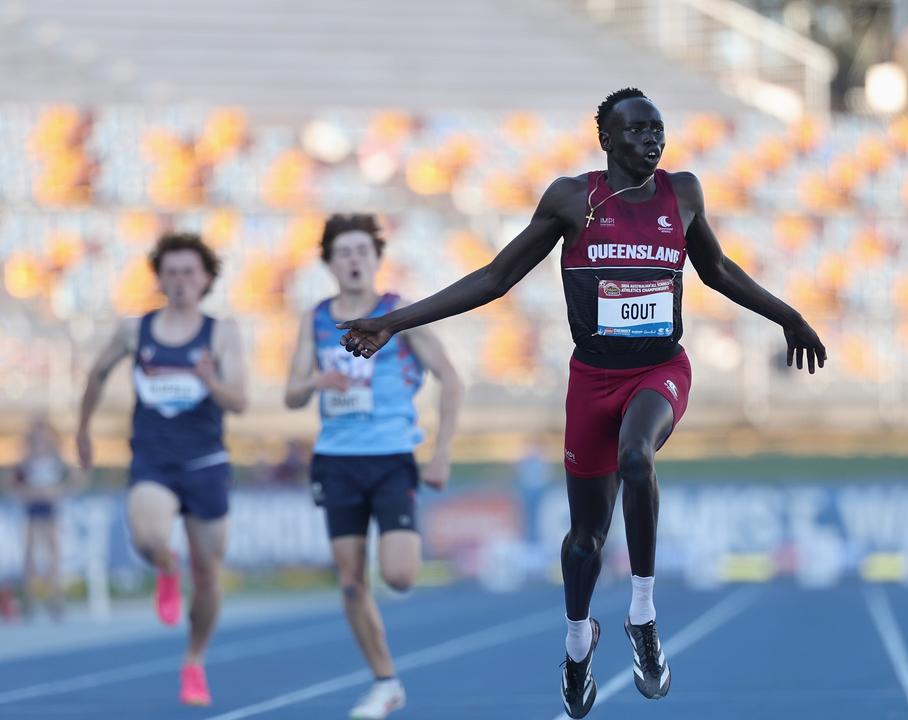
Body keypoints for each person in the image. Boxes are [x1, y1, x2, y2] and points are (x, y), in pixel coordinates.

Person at [337, 88, 827, 718]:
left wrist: (789, 317)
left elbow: (719, 270)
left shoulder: (683, 194)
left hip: (659, 367)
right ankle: (576, 644)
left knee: (637, 458)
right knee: (583, 541)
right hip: (591, 383)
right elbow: (494, 278)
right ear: (607, 139)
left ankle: (643, 615)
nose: (652, 140)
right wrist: (393, 322)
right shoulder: (573, 198)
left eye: (659, 129)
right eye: (637, 130)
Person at [284, 214, 463, 720]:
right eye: (344, 252)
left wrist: (442, 451)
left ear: (377, 259)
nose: (355, 259)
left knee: (402, 576)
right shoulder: (316, 318)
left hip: (390, 457)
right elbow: (291, 394)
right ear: (329, 262)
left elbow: (450, 379)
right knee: (349, 581)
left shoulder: (396, 311)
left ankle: (387, 667)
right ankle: (386, 682)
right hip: (336, 461)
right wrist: (315, 383)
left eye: (364, 250)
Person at [77, 232, 246, 705]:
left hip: (206, 463)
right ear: (159, 278)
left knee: (210, 576)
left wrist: (210, 380)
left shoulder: (222, 333)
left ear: (206, 278)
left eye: (188, 272)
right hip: (154, 459)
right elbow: (96, 374)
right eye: (170, 272)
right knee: (150, 538)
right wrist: (83, 430)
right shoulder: (137, 331)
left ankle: (194, 661)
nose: (179, 281)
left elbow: (241, 401)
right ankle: (167, 565)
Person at [5, 415, 84, 621]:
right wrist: (27, 493)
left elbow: (76, 481)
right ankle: (30, 599)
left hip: (51, 508)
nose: (40, 438)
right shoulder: (26, 459)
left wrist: (58, 491)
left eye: (43, 433)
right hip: (32, 509)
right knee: (29, 555)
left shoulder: (56, 458)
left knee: (53, 554)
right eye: (37, 433)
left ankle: (56, 598)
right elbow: (13, 485)